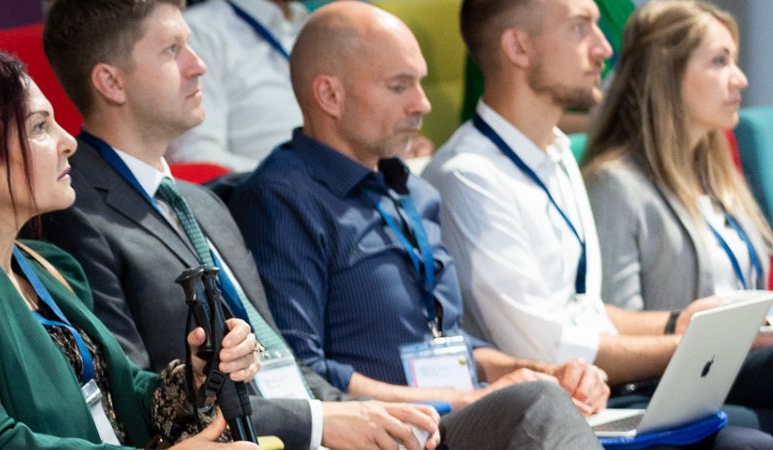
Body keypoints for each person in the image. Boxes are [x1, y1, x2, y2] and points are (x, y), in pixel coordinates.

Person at [39, 0, 593, 448]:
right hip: (274, 435)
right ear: (111, 82)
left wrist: (355, 412)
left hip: (335, 419)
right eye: (172, 50)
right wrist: (327, 421)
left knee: (539, 404)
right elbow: (135, 402)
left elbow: (283, 359)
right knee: (536, 407)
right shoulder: (77, 215)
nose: (198, 64)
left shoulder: (203, 204)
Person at [222, 2, 611, 448]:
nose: (422, 103)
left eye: (420, 83)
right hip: (386, 432)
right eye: (399, 86)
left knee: (550, 393)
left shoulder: (414, 192)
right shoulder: (282, 200)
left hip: (446, 419)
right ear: (329, 95)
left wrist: (544, 371)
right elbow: (300, 371)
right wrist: (463, 399)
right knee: (537, 404)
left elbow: (447, 340)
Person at [0, 46, 263, 449]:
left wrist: (197, 374)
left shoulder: (41, 264)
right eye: (40, 127)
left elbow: (117, 396)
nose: (68, 141)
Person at [426, 0, 773, 443]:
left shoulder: (555, 152)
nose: (604, 48)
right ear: (518, 47)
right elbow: (549, 349)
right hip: (560, 415)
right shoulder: (469, 176)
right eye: (580, 28)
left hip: (600, 393)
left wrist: (678, 322)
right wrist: (705, 343)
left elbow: (585, 309)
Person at [583, 1, 766, 312]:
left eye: (733, 61)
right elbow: (615, 325)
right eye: (720, 61)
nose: (740, 79)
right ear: (667, 74)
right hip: (684, 347)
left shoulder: (717, 174)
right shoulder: (614, 186)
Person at [168, 0, 310, 171]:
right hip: (275, 186)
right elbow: (195, 157)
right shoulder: (199, 32)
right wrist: (290, 177)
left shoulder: (309, 24)